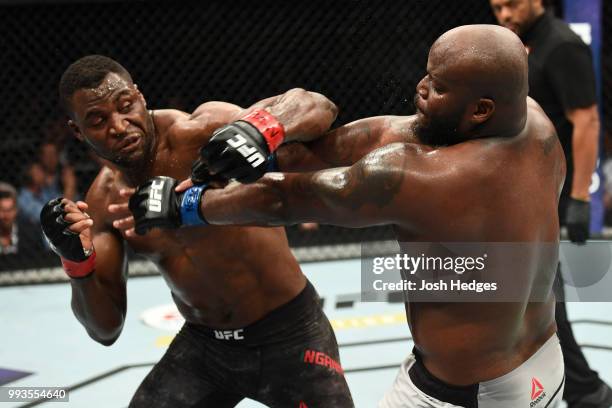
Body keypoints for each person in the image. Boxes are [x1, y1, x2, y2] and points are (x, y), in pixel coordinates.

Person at [119, 25, 567, 407]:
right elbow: (366, 138)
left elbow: (287, 201)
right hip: (543, 365)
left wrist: (186, 207)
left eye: (439, 84)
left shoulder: (428, 177)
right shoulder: (535, 124)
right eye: (427, 74)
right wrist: (266, 131)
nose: (422, 88)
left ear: (480, 109)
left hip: (464, 393)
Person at [40, 55, 354, 407]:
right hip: (207, 347)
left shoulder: (201, 131)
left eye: (125, 106)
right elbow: (105, 330)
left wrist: (260, 131)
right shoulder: (104, 202)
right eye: (98, 120)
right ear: (77, 131)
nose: (118, 125)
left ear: (140, 97)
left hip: (291, 334)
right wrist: (75, 263)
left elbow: (318, 105)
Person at [490, 1, 612, 406]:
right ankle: (579, 388)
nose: (504, 14)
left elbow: (587, 120)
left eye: (511, 4)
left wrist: (579, 197)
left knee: (538, 295)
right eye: (496, 7)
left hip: (548, 190)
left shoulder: (561, 45)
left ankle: (584, 390)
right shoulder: (520, 44)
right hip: (524, 188)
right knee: (526, 295)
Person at [0, 182, 48, 271]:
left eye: (9, 210)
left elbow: (41, 262)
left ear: (16, 211)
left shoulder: (32, 233)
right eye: (2, 210)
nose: (5, 216)